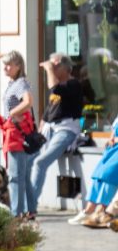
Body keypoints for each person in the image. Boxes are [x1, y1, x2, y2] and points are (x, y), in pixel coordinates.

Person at [31, 53, 84, 215]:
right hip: (50, 129)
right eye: (52, 67)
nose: (52, 69)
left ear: (65, 68)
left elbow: (54, 87)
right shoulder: (58, 88)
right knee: (28, 160)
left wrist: (48, 68)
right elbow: (49, 112)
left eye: (55, 66)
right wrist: (39, 129)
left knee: (40, 162)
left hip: (66, 130)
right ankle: (21, 203)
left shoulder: (73, 84)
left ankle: (29, 207)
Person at [0, 51, 38, 218]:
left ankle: (16, 213)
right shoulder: (14, 83)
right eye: (4, 64)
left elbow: (28, 101)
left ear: (18, 66)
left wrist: (11, 113)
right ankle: (30, 209)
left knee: (15, 176)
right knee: (23, 176)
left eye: (9, 64)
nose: (5, 67)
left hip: (15, 135)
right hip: (17, 134)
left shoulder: (20, 83)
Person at [72, 115, 118, 228]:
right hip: (113, 149)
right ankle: (89, 209)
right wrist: (111, 138)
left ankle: (102, 211)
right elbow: (114, 130)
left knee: (109, 175)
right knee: (99, 175)